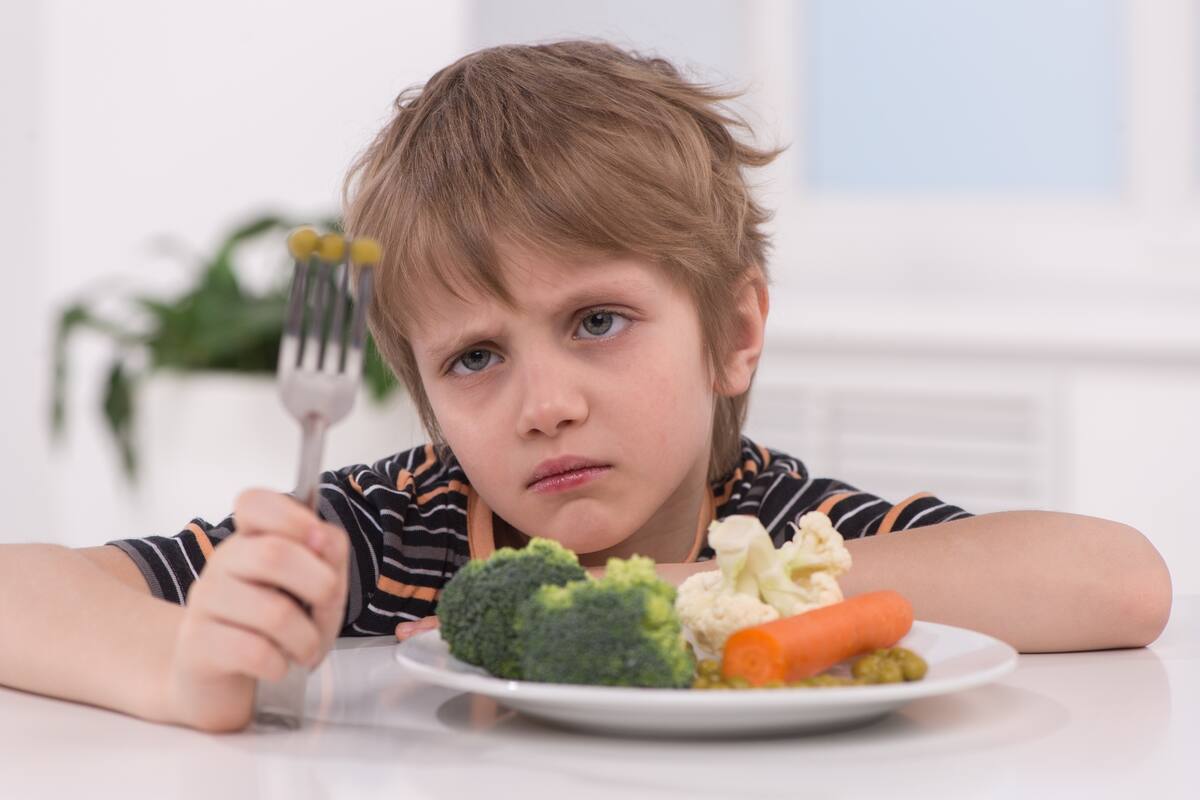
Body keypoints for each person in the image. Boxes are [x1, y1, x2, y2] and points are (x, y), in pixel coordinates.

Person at [0, 40, 1172, 733]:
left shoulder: (774, 538)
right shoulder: (379, 533)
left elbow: (1119, 580)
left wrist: (682, 589)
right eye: (475, 356)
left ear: (736, 331)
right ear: (424, 394)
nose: (543, 400)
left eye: (597, 321)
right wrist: (183, 662)